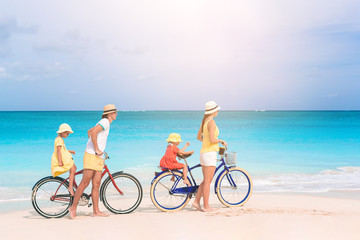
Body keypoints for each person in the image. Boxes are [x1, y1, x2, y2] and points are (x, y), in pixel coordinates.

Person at [69, 104, 118, 219]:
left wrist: (94, 145)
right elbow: (94, 132)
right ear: (110, 113)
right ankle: (73, 207)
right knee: (85, 183)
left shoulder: (105, 122)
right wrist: (95, 148)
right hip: (92, 155)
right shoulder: (105, 121)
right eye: (115, 112)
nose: (116, 114)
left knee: (96, 185)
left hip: (97, 157)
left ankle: (96, 211)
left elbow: (90, 131)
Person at [192, 101, 227, 212]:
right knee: (208, 182)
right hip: (209, 154)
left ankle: (196, 202)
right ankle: (206, 206)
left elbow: (199, 137)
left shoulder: (204, 122)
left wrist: (206, 141)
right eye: (217, 110)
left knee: (205, 180)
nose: (218, 111)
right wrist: (221, 141)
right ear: (213, 111)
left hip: (204, 153)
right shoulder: (211, 122)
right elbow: (212, 139)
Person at [51, 123, 77, 196]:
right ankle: (71, 187)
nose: (68, 135)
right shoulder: (59, 140)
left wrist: (70, 151)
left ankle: (72, 183)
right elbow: (58, 151)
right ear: (63, 132)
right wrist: (60, 161)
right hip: (64, 159)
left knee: (74, 168)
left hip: (66, 157)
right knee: (73, 170)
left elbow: (63, 149)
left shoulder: (60, 139)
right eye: (67, 134)